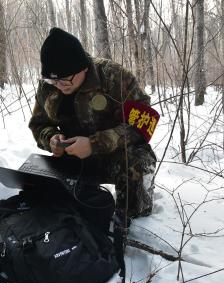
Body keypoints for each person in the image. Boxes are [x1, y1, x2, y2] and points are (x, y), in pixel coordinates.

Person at [29, 27, 158, 224]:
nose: (60, 86)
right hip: (73, 158)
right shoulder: (49, 85)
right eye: (53, 80)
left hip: (114, 157)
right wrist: (51, 139)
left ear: (83, 67)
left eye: (65, 79)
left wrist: (94, 144)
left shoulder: (114, 77)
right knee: (38, 185)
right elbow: (39, 124)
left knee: (137, 162)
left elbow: (144, 124)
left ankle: (132, 221)